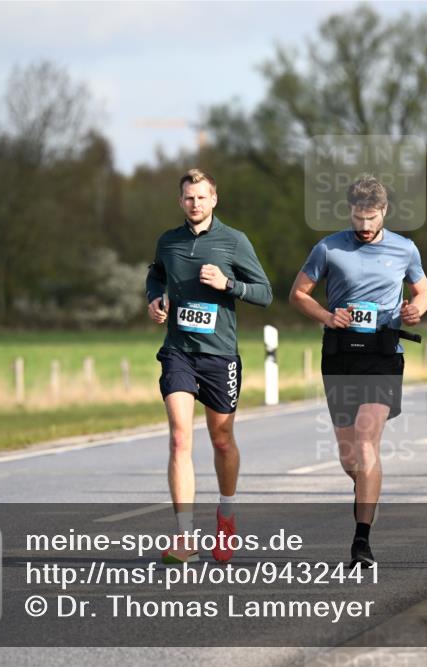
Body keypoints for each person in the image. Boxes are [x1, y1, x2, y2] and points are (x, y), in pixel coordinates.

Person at [290, 174, 427, 568]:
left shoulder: (405, 249)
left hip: (383, 354)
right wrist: (327, 315)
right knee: (350, 458)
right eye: (358, 217)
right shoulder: (329, 248)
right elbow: (298, 293)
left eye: (371, 217)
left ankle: (361, 541)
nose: (365, 226)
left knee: (368, 442)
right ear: (349, 212)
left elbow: (423, 290)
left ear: (384, 212)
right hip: (340, 356)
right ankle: (369, 490)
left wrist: (417, 310)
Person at [146, 169, 273, 564]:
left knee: (221, 441)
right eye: (188, 198)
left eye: (201, 197)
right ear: (180, 201)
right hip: (179, 352)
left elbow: (266, 293)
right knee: (180, 439)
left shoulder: (234, 241)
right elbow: (156, 274)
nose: (195, 204)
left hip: (220, 356)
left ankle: (227, 514)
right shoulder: (169, 241)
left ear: (214, 199)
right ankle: (185, 537)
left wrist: (228, 285)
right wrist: (155, 299)